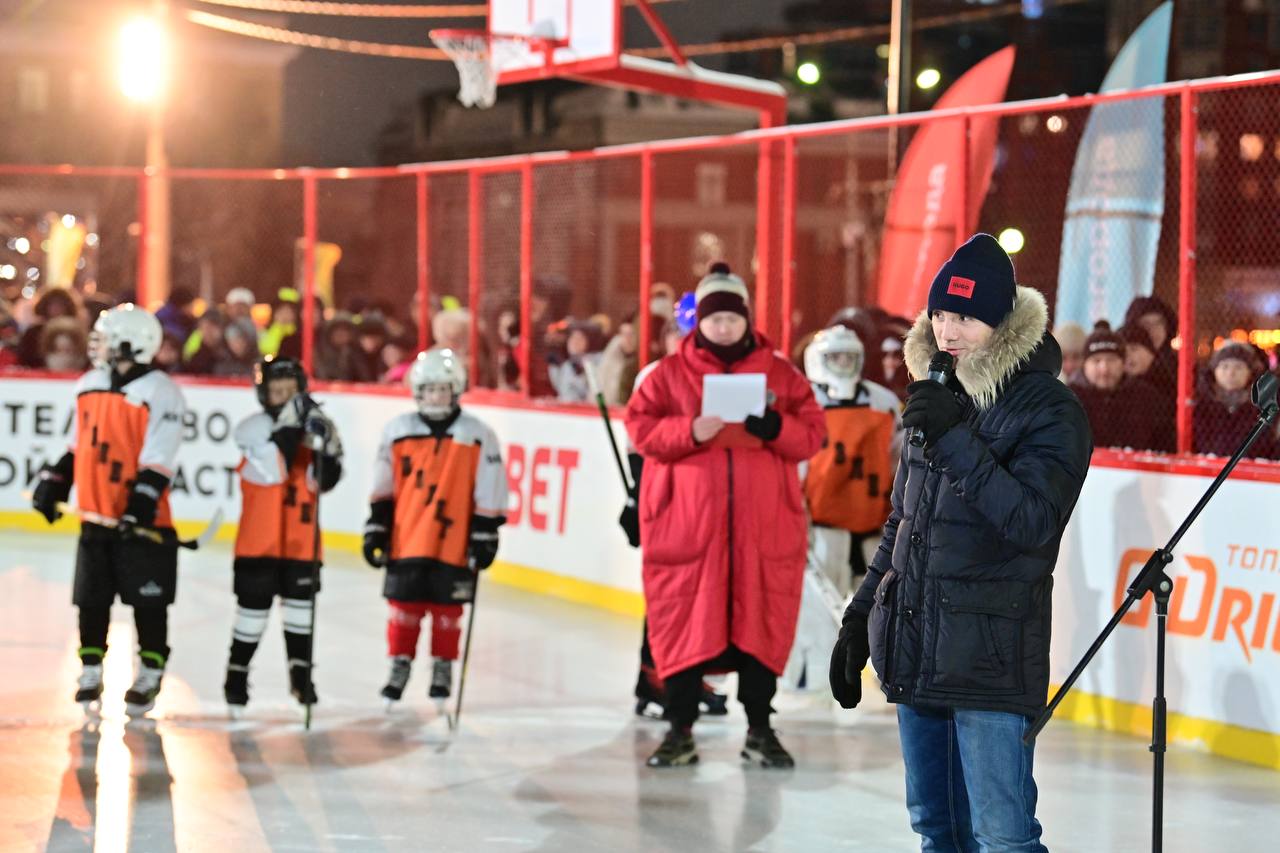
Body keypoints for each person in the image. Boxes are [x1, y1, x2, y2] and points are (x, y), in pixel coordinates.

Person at [829, 233, 1092, 852]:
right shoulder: (936, 398)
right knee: (937, 829)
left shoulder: (1050, 410)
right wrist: (859, 619)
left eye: (966, 318)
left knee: (1002, 837)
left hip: (989, 659)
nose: (948, 331)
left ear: (1001, 323)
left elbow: (1031, 522)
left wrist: (952, 437)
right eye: (940, 315)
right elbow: (903, 523)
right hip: (917, 647)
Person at [625, 265, 826, 768]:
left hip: (763, 531)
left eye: (732, 319)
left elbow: (812, 433)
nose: (723, 328)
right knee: (686, 628)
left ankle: (760, 728)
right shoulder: (667, 374)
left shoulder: (780, 373)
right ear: (701, 323)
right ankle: (679, 730)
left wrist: (774, 425)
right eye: (714, 320)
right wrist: (690, 429)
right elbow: (641, 429)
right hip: (688, 531)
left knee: (760, 626)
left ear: (745, 320)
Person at [30, 304, 187, 715]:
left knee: (148, 602)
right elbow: (77, 443)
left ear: (132, 342)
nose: (96, 344)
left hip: (140, 523)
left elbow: (159, 458)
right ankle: (91, 668)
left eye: (106, 336)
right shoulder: (89, 383)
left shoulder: (160, 391)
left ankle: (150, 669)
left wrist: (140, 505)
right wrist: (55, 480)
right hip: (95, 515)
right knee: (91, 599)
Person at [362, 348, 507, 707]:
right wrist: (377, 526)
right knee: (404, 608)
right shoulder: (397, 431)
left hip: (453, 540)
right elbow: (384, 483)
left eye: (442, 390)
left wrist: (485, 532)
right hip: (407, 535)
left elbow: (490, 483)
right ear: (417, 392)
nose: (436, 397)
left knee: (448, 611)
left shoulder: (477, 434)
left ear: (456, 390)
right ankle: (400, 664)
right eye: (429, 390)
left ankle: (443, 667)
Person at [222, 358, 343, 716]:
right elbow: (275, 467)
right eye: (277, 392)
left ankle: (301, 675)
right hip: (258, 543)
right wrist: (297, 427)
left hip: (301, 541)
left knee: (300, 614)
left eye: (291, 392)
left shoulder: (316, 428)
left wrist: (328, 448)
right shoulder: (252, 428)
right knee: (252, 615)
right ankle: (237, 674)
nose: (285, 399)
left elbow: (325, 481)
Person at [784, 325, 901, 691]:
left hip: (872, 524)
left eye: (849, 357)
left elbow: (898, 460)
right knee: (817, 612)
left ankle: (892, 682)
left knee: (883, 610)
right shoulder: (803, 402)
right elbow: (794, 465)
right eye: (835, 357)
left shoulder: (883, 402)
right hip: (824, 525)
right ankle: (813, 681)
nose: (843, 365)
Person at [1069, 323, 1163, 451]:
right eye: (1096, 361)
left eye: (1111, 360)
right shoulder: (1068, 398)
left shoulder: (1145, 397)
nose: (1104, 369)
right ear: (1085, 365)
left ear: (1123, 364)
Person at [1193, 342, 1278, 460]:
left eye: (1238, 367)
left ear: (1250, 372)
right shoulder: (1200, 405)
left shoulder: (1264, 407)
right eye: (1224, 366)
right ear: (1214, 370)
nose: (1230, 373)